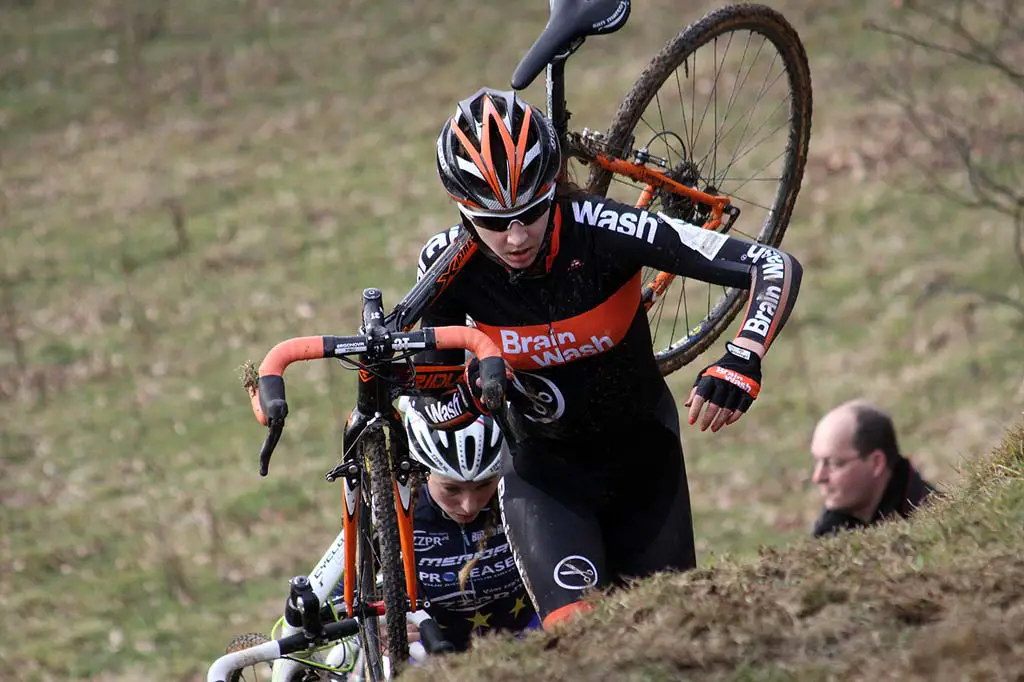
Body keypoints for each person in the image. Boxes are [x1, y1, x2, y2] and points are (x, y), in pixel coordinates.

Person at [407, 87, 803, 628]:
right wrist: (458, 398)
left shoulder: (606, 230)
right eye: (493, 222)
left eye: (530, 212)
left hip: (646, 465)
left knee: (668, 638)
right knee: (581, 639)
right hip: (547, 479)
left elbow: (771, 265)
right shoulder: (451, 263)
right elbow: (430, 392)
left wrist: (742, 357)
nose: (516, 236)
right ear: (461, 210)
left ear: (552, 189)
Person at [398, 399, 540, 651]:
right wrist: (376, 626)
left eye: (485, 484)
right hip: (434, 654)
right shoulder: (398, 509)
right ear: (423, 471)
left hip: (527, 641)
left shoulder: (522, 493)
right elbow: (340, 599)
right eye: (451, 489)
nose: (469, 506)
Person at [810, 400, 937, 538]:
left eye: (834, 463)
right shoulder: (832, 527)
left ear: (876, 463)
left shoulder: (932, 527)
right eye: (817, 461)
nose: (818, 477)